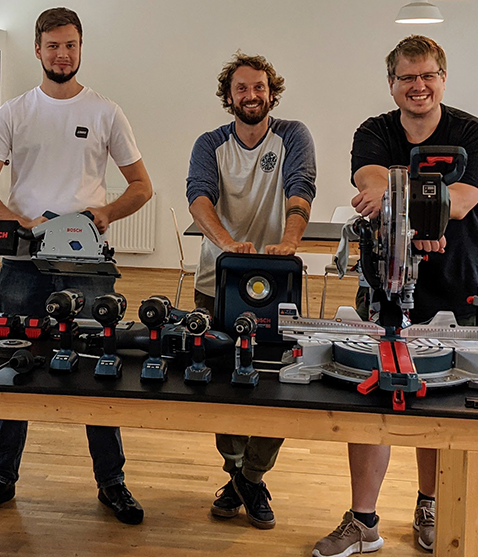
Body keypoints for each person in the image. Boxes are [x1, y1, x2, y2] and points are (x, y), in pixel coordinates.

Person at [312, 35, 478, 556]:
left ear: (443, 78)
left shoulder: (475, 135)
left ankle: (431, 505)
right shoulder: (374, 131)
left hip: (464, 278)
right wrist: (417, 208)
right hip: (388, 276)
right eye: (406, 77)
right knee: (371, 392)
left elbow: (459, 203)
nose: (418, 86)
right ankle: (363, 522)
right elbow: (372, 181)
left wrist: (405, 204)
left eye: (427, 76)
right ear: (391, 83)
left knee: (445, 399)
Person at [0, 7, 153, 525]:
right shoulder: (14, 112)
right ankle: (1, 476)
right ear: (37, 50)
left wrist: (106, 213)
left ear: (80, 47)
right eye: (53, 45)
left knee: (100, 370)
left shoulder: (106, 112)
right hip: (25, 265)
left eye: (70, 45)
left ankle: (111, 481)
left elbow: (141, 187)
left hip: (88, 264)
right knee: (14, 367)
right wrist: (27, 226)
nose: (62, 54)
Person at [186, 52, 316, 530]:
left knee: (278, 383)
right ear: (229, 96)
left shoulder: (293, 136)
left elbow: (301, 188)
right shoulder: (210, 144)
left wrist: (289, 242)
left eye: (259, 86)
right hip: (218, 282)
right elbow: (198, 196)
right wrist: (227, 245)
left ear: (271, 92)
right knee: (223, 384)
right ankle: (238, 474)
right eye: (241, 87)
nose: (251, 94)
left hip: (277, 281)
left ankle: (251, 477)